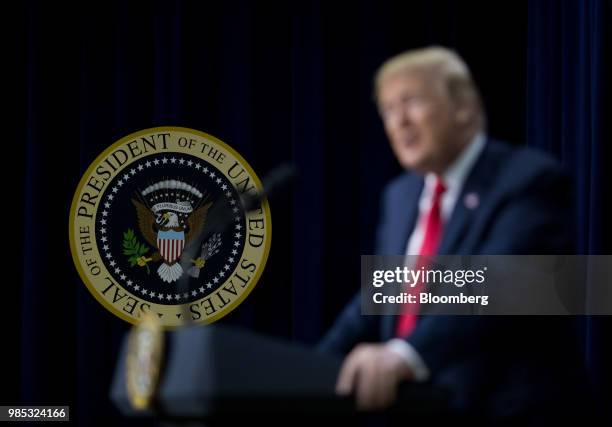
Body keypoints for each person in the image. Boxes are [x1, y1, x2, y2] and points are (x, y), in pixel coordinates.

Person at [318, 46, 588, 423]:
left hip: (506, 410)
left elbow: (496, 286)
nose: (400, 121)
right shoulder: (400, 196)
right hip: (415, 408)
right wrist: (311, 369)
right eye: (388, 110)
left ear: (462, 106)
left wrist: (402, 356)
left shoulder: (529, 179)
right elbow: (378, 295)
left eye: (411, 101)